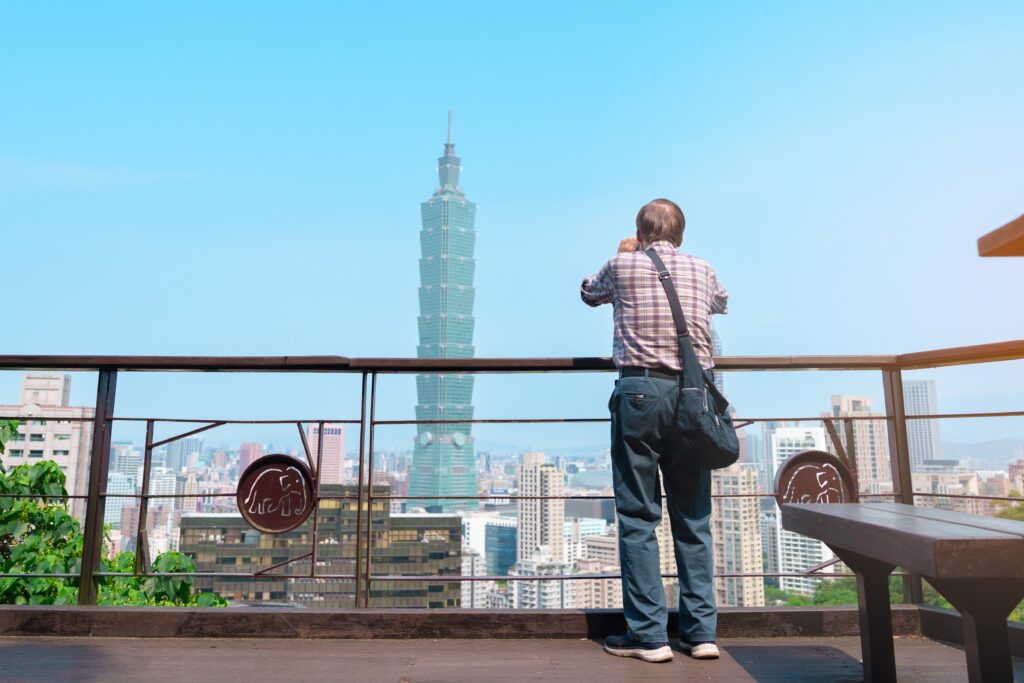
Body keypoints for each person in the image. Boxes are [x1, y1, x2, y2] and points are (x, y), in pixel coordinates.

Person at [580, 198, 728, 663]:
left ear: (640, 233)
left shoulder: (621, 264)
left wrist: (626, 253)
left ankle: (649, 636)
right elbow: (721, 303)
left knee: (640, 518)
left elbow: (587, 292)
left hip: (640, 393)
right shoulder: (703, 269)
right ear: (681, 235)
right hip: (693, 397)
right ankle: (700, 634)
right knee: (694, 519)